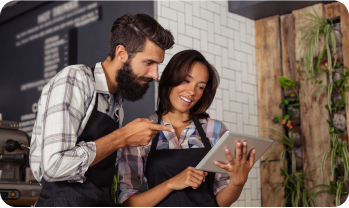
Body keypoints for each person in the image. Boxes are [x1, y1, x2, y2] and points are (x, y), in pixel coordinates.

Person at [29, 14, 175, 207]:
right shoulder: (75, 80)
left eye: (158, 65)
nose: (155, 74)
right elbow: (54, 166)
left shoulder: (116, 104)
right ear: (121, 53)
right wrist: (122, 137)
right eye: (148, 63)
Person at [117, 50, 256, 207]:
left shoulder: (215, 130)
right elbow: (128, 202)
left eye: (200, 87)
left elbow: (219, 202)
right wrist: (171, 184)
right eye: (186, 80)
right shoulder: (141, 132)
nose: (192, 92)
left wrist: (238, 183)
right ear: (171, 77)